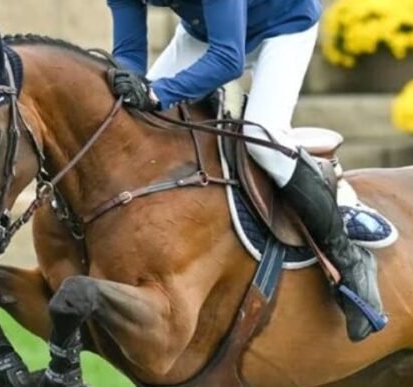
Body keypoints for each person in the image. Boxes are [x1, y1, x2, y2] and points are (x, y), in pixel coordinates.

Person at [105, 0, 386, 342]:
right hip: (204, 33)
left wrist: (156, 92)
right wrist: (130, 84)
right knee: (132, 118)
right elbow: (129, 55)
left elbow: (228, 59)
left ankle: (349, 258)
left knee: (261, 137)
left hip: (282, 28)